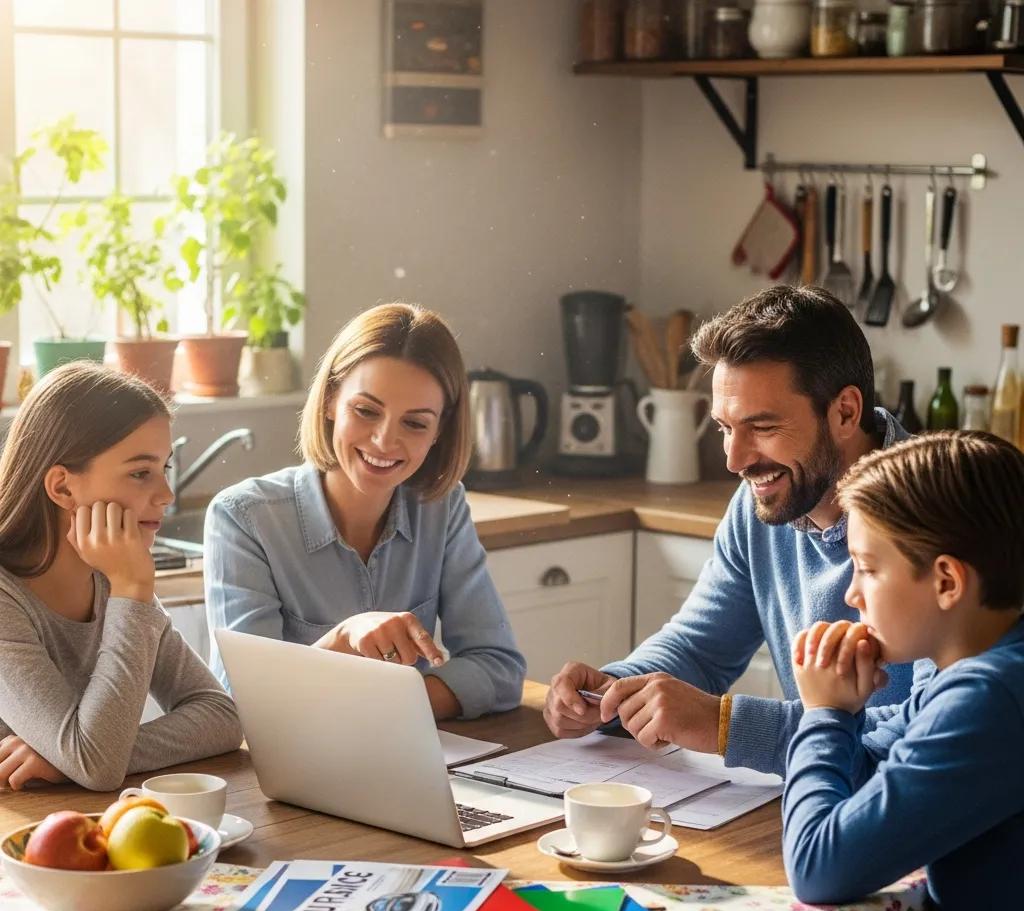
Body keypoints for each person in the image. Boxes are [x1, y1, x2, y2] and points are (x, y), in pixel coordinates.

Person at [543, 285, 915, 777]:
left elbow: (931, 742)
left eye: (762, 427)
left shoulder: (944, 513)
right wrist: (613, 691)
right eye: (724, 427)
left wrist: (725, 725)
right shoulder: (767, 499)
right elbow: (701, 647)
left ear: (845, 411)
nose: (734, 460)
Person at [783, 431, 1024, 911]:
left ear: (946, 582)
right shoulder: (971, 668)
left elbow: (818, 866)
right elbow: (875, 790)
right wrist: (845, 712)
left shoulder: (988, 697)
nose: (850, 594)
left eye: (867, 568)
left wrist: (826, 712)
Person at [204, 302, 524, 720]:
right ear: (331, 400)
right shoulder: (243, 518)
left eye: (415, 423)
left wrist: (387, 707)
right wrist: (342, 639)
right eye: (366, 411)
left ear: (439, 432)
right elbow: (244, 703)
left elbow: (500, 670)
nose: (384, 441)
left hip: (409, 763)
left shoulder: (442, 508)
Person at [0, 363, 243, 792]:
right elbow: (95, 763)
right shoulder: (117, 583)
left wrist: (68, 758)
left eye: (163, 469)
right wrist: (133, 592)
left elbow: (221, 716)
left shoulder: (113, 577)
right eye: (140, 472)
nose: (166, 495)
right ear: (62, 488)